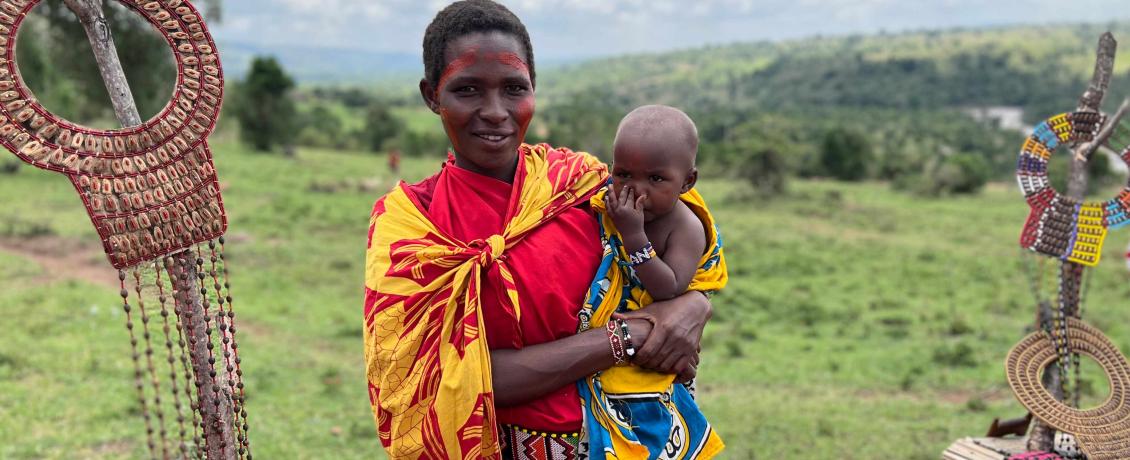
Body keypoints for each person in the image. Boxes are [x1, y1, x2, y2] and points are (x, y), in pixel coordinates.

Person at [362, 2, 715, 458]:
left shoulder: (585, 185)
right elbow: (449, 378)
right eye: (467, 89)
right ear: (432, 95)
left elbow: (688, 244)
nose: (494, 111)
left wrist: (694, 304)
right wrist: (624, 338)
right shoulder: (413, 225)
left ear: (534, 89)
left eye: (514, 88)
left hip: (632, 440)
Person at [577, 105, 727, 459]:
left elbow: (670, 289)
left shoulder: (685, 226)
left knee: (653, 432)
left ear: (688, 181)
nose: (637, 191)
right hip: (611, 348)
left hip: (657, 357)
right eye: (624, 174)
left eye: (656, 179)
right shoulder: (609, 203)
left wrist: (633, 236)